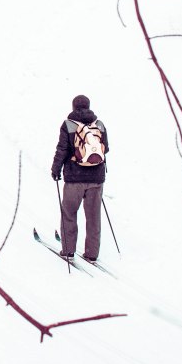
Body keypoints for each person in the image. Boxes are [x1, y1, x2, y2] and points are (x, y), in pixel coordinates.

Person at [51, 95, 108, 261]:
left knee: (69, 213)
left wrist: (56, 169)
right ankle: (92, 254)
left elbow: (62, 149)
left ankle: (68, 250)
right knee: (93, 217)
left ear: (73, 106)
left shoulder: (68, 125)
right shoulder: (100, 125)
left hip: (74, 179)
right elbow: (106, 149)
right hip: (96, 179)